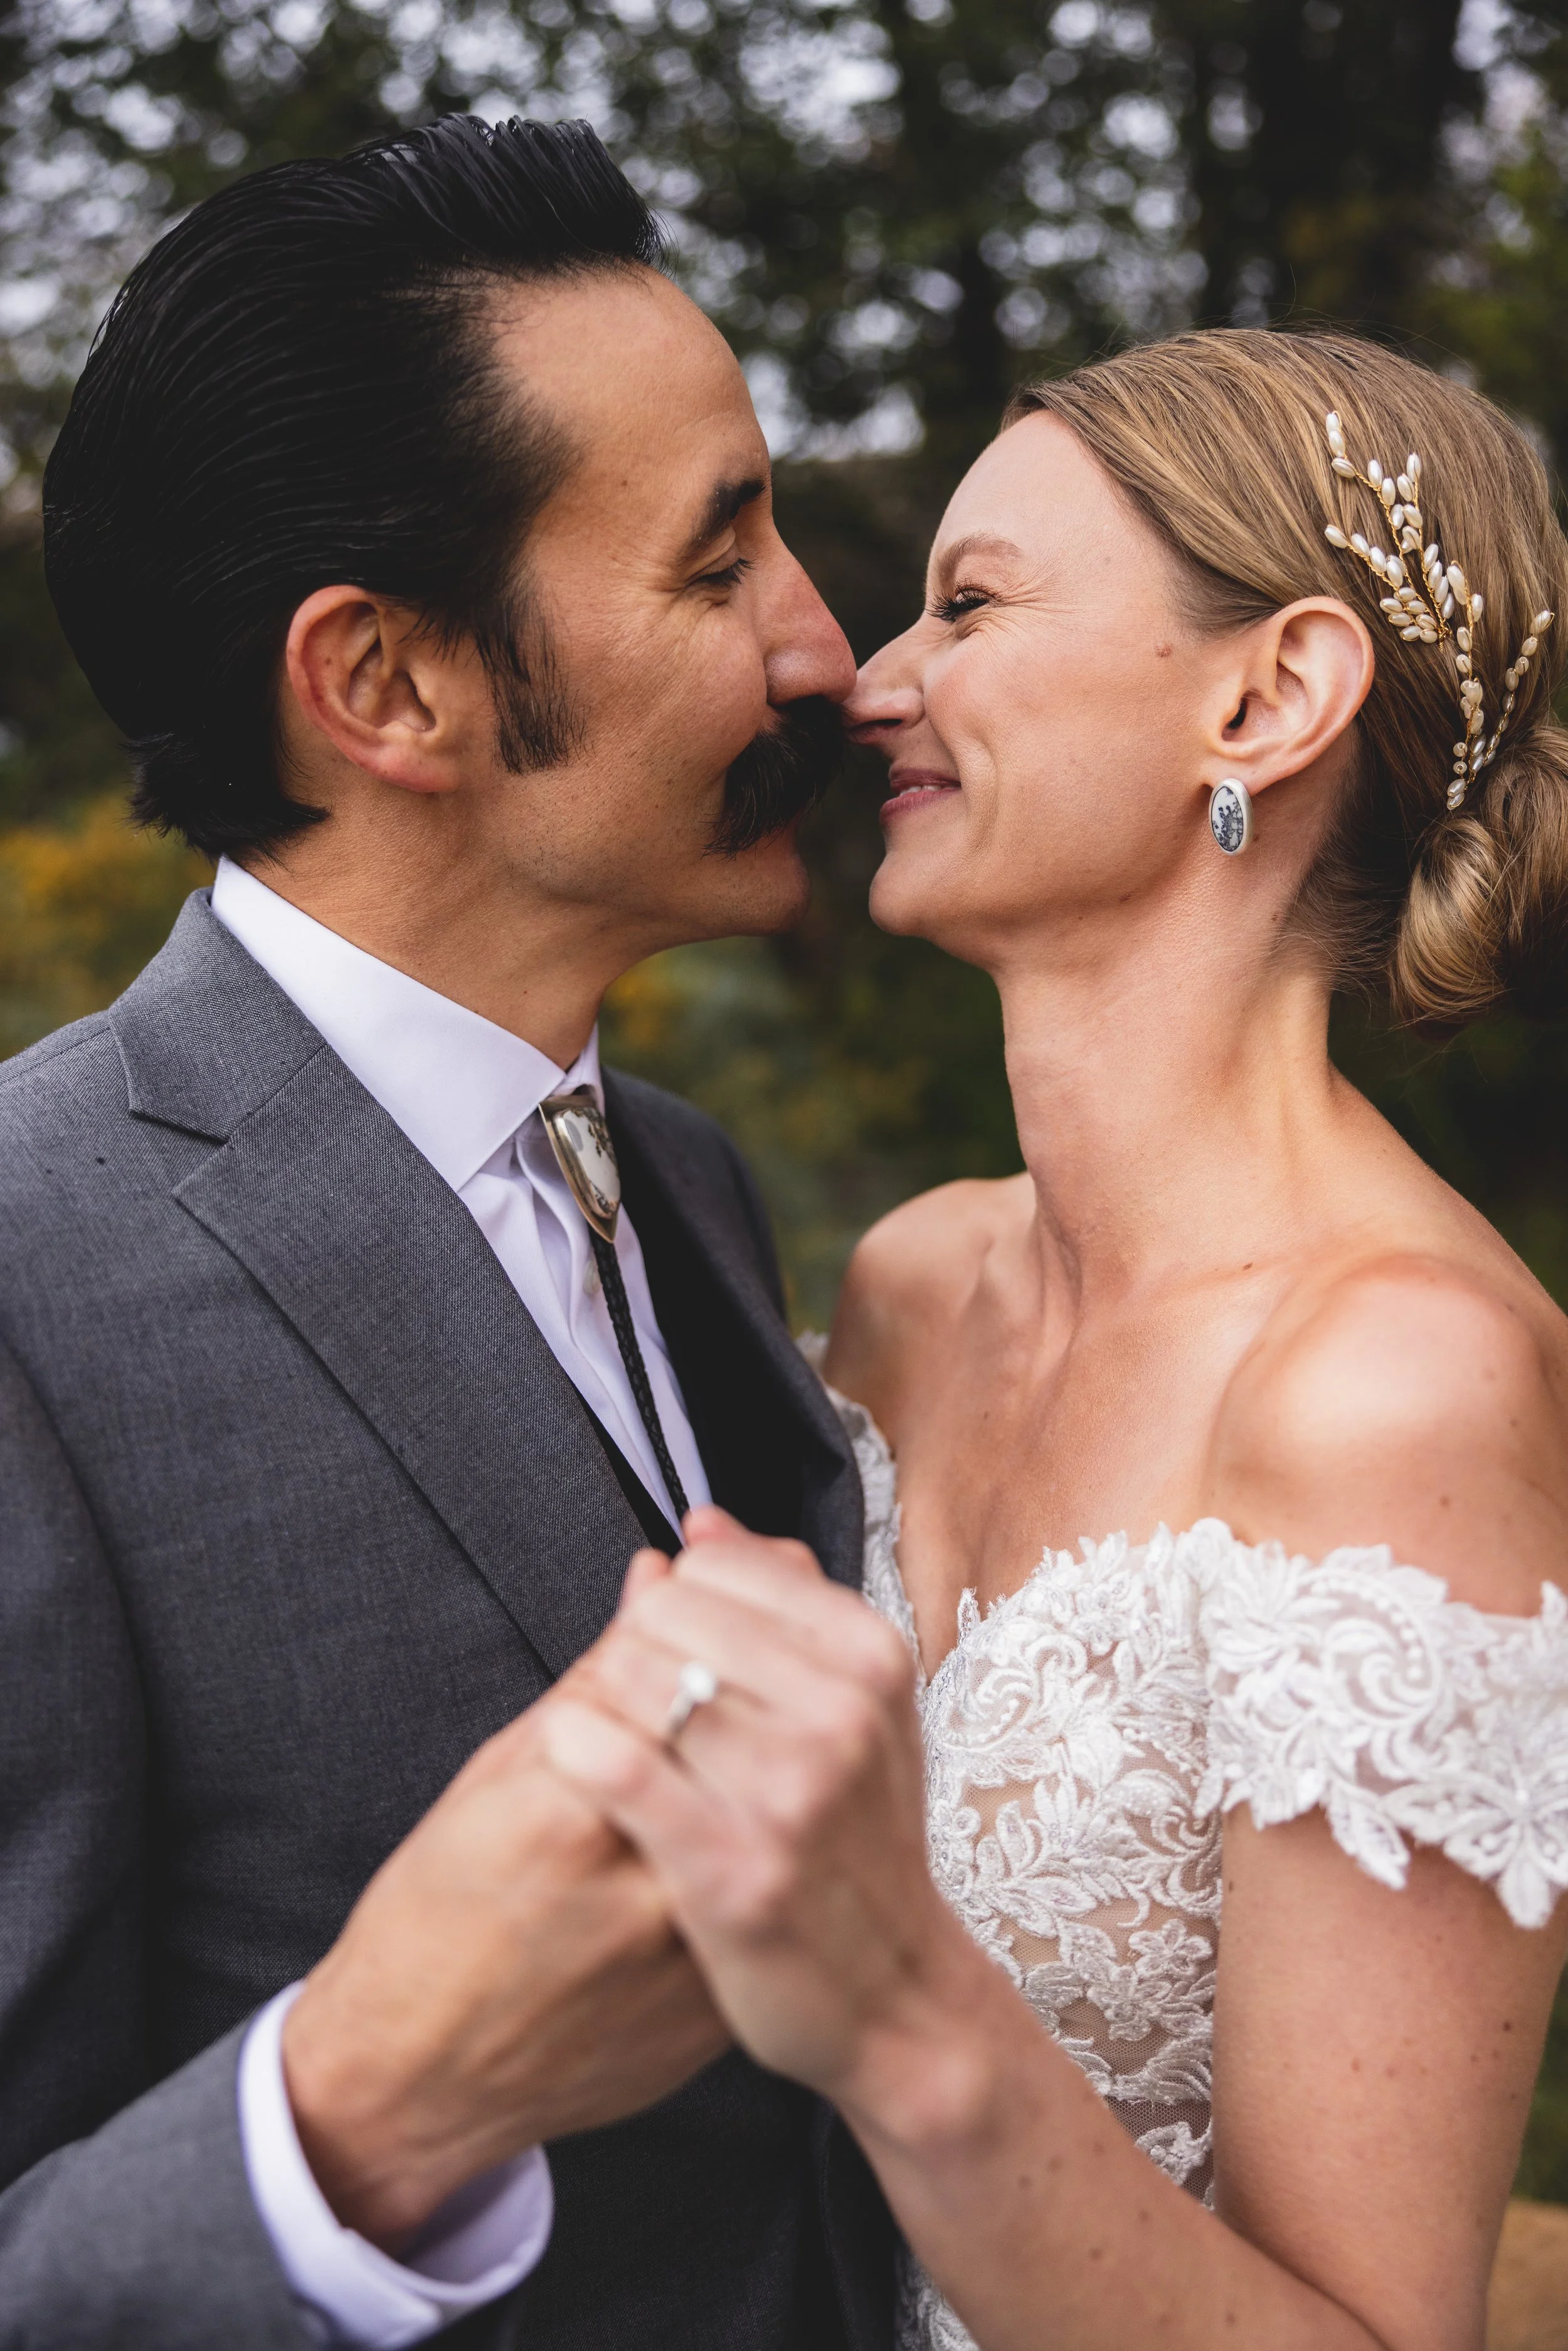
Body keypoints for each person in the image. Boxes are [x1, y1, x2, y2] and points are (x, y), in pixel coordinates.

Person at [540, 329, 1568, 2351]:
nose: (869, 677)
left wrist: (901, 2010)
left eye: (970, 604)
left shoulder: (1395, 1391)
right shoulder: (914, 1289)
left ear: (1266, 698)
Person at [0, 116, 895, 2348]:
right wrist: (354, 2123)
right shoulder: (21, 1274)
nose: (827, 647)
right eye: (719, 565)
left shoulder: (678, 1172)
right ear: (385, 685)